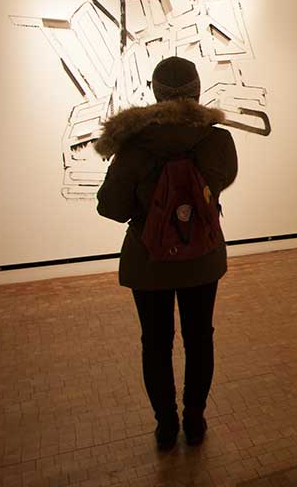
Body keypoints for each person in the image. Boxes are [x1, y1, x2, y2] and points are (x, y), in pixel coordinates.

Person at [96, 57, 238, 450]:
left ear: (154, 91)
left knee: (155, 343)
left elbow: (111, 207)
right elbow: (219, 184)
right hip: (201, 257)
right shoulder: (217, 140)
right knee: (200, 338)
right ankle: (195, 420)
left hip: (148, 261)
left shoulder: (134, 144)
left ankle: (165, 424)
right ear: (197, 89)